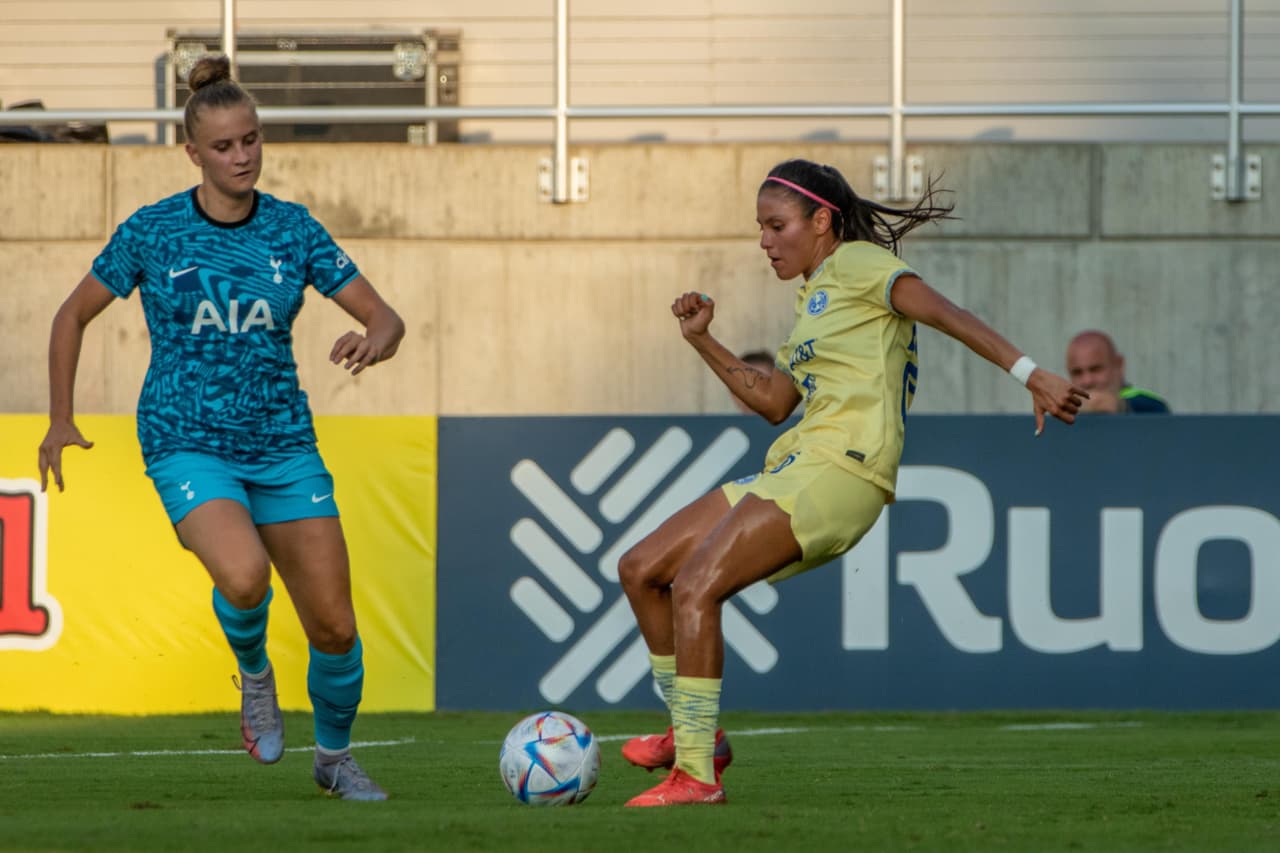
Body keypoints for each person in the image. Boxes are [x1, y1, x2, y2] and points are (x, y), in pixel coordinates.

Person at [616, 159, 1087, 807]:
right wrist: (702, 339)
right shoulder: (814, 299)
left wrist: (1031, 374)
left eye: (776, 225)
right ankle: (693, 732)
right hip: (796, 463)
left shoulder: (861, 265)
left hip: (843, 470)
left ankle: (696, 775)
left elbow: (947, 313)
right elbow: (774, 403)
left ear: (821, 221)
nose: (764, 241)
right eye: (760, 227)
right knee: (642, 567)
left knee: (697, 584)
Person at [36, 55, 405, 801]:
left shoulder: (294, 229)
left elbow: (386, 316)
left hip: (283, 444)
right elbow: (72, 314)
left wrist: (376, 338)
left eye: (252, 140)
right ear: (193, 153)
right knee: (243, 574)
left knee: (335, 628)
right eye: (225, 145)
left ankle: (334, 760)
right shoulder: (153, 231)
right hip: (185, 439)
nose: (242, 156)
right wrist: (60, 417)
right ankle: (255, 673)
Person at [1065, 330, 1169, 414]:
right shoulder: (1063, 409)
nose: (1087, 381)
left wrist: (1121, 406)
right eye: (1077, 373)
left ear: (1119, 365)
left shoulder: (1152, 407)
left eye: (1095, 369)